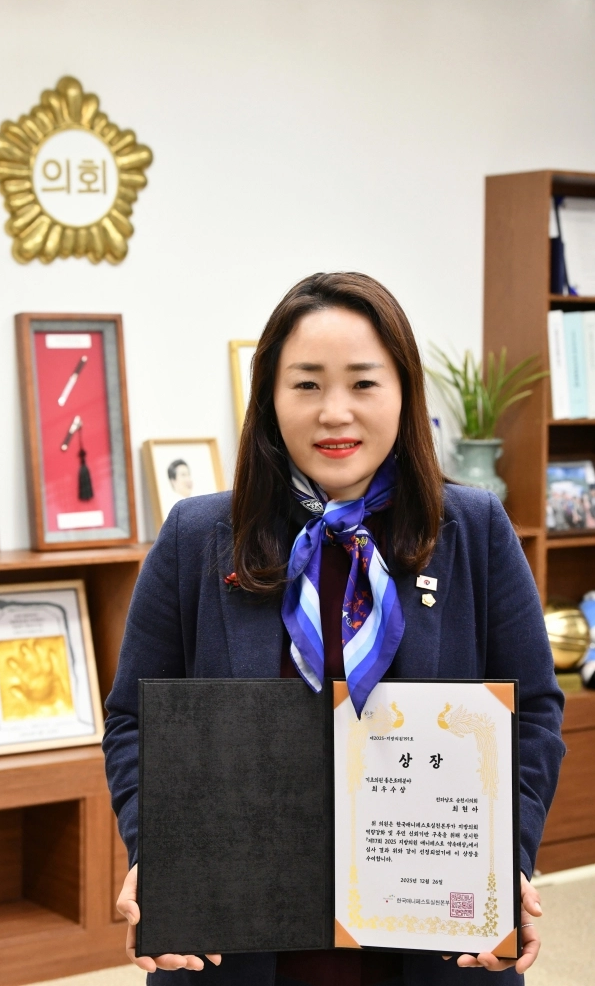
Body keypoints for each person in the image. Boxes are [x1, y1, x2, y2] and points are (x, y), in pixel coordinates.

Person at [103, 272, 564, 986]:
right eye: (307, 384)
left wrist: (508, 859)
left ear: (404, 392)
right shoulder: (196, 535)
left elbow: (531, 712)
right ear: (269, 397)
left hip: (432, 944)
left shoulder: (474, 529)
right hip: (240, 948)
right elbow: (134, 719)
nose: (334, 412)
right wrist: (155, 851)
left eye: (363, 383)